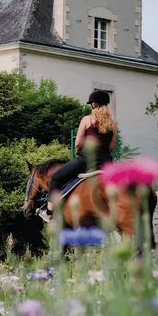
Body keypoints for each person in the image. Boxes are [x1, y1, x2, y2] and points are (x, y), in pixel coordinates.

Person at [43, 90, 117, 221]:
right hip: (106, 163)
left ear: (94, 105)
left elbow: (77, 143)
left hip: (86, 160)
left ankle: (49, 212)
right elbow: (111, 147)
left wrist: (80, 150)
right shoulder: (113, 124)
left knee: (55, 177)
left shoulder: (87, 120)